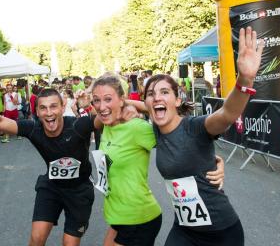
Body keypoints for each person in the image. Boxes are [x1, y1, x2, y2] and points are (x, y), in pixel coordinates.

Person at [134, 27, 260, 246]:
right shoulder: (156, 129)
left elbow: (227, 113)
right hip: (184, 230)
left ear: (177, 100)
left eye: (164, 92)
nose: (156, 98)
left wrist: (245, 80)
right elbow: (137, 106)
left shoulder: (196, 127)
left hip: (221, 231)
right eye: (151, 95)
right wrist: (112, 102)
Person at [91, 73, 226, 246]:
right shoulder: (105, 123)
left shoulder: (136, 128)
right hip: (117, 215)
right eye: (96, 100)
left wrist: (214, 161)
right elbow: (96, 120)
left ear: (121, 99)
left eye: (108, 99)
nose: (101, 106)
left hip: (139, 217)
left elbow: (181, 143)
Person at [0, 82, 107, 246]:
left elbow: (104, 118)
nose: (49, 113)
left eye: (54, 106)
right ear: (37, 111)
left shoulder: (78, 126)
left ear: (63, 108)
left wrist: (90, 106)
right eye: (43, 108)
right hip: (52, 187)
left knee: (69, 243)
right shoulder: (33, 128)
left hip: (79, 191)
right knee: (36, 238)